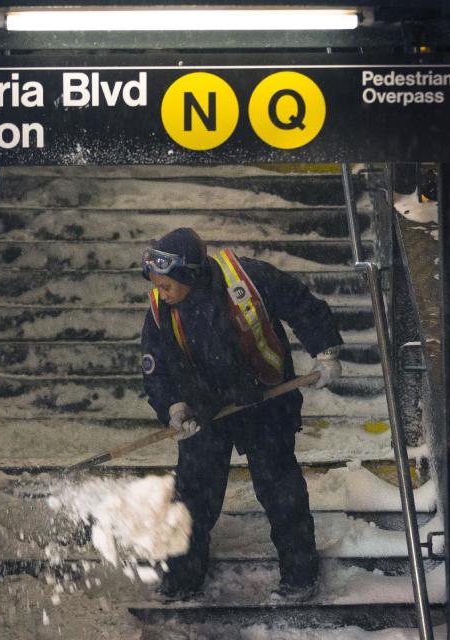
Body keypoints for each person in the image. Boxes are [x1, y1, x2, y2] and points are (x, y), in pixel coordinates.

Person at [139, 227, 344, 602]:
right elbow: (157, 368)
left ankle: (300, 576)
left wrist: (325, 350)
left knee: (281, 490)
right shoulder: (160, 309)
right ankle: (183, 578)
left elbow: (301, 304)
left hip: (264, 401)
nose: (161, 294)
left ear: (190, 275)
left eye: (167, 286)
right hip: (207, 411)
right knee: (193, 497)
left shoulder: (248, 280)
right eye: (157, 286)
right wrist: (173, 406)